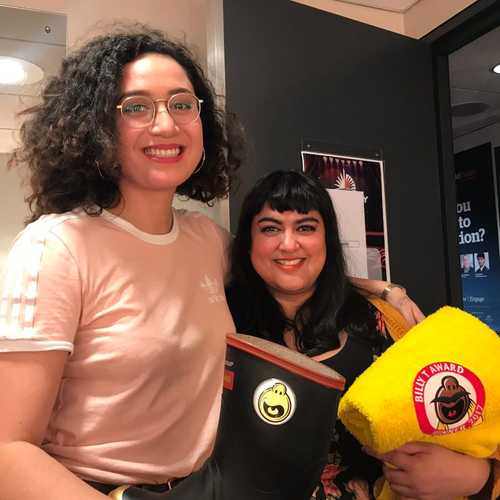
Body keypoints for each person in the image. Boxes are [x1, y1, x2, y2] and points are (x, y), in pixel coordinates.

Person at [0, 25, 422, 499]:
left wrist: (386, 291)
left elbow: (285, 263)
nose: (166, 124)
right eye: (136, 106)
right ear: (95, 125)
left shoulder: (204, 239)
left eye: (182, 104)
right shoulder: (56, 248)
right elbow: (9, 449)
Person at [226, 170, 497, 500]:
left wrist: (477, 476)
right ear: (248, 241)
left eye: (306, 227)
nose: (288, 243)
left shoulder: (382, 323)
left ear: (327, 239)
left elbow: (472, 420)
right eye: (270, 228)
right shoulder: (219, 322)